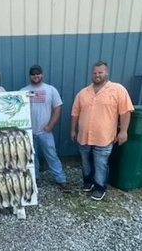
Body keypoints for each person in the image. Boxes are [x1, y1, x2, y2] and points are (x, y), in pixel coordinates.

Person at [70, 60, 134, 201]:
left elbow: (125, 112)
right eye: (94, 73)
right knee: (86, 162)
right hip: (84, 137)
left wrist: (123, 131)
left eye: (100, 72)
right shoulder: (83, 93)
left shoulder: (117, 90)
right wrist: (73, 130)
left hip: (104, 137)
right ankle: (88, 182)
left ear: (106, 73)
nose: (97, 75)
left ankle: (100, 187)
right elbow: (75, 113)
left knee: (101, 163)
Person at [20, 64, 71, 192]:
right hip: (29, 132)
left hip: (45, 132)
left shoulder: (51, 90)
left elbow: (58, 107)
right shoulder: (23, 91)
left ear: (42, 74)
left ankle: (61, 179)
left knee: (52, 155)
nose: (36, 76)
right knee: (31, 156)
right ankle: (35, 177)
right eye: (33, 74)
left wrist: (50, 125)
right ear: (29, 76)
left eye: (38, 73)